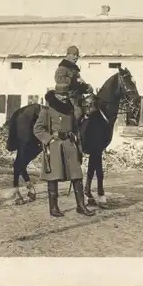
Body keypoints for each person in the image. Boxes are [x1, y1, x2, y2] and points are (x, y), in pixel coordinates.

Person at [33, 84, 95, 218]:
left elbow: (76, 129)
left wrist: (78, 146)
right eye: (61, 94)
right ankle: (53, 208)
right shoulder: (47, 110)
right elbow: (37, 129)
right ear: (56, 95)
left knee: (77, 175)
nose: (64, 97)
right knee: (53, 177)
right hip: (55, 146)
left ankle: (81, 206)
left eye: (66, 94)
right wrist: (49, 138)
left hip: (69, 144)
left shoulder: (70, 109)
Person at [54, 45, 94, 124]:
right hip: (67, 97)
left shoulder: (74, 69)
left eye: (77, 55)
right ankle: (73, 133)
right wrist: (73, 80)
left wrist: (87, 87)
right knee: (78, 112)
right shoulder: (63, 67)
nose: (76, 57)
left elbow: (79, 82)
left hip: (77, 97)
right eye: (74, 55)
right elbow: (58, 79)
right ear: (67, 55)